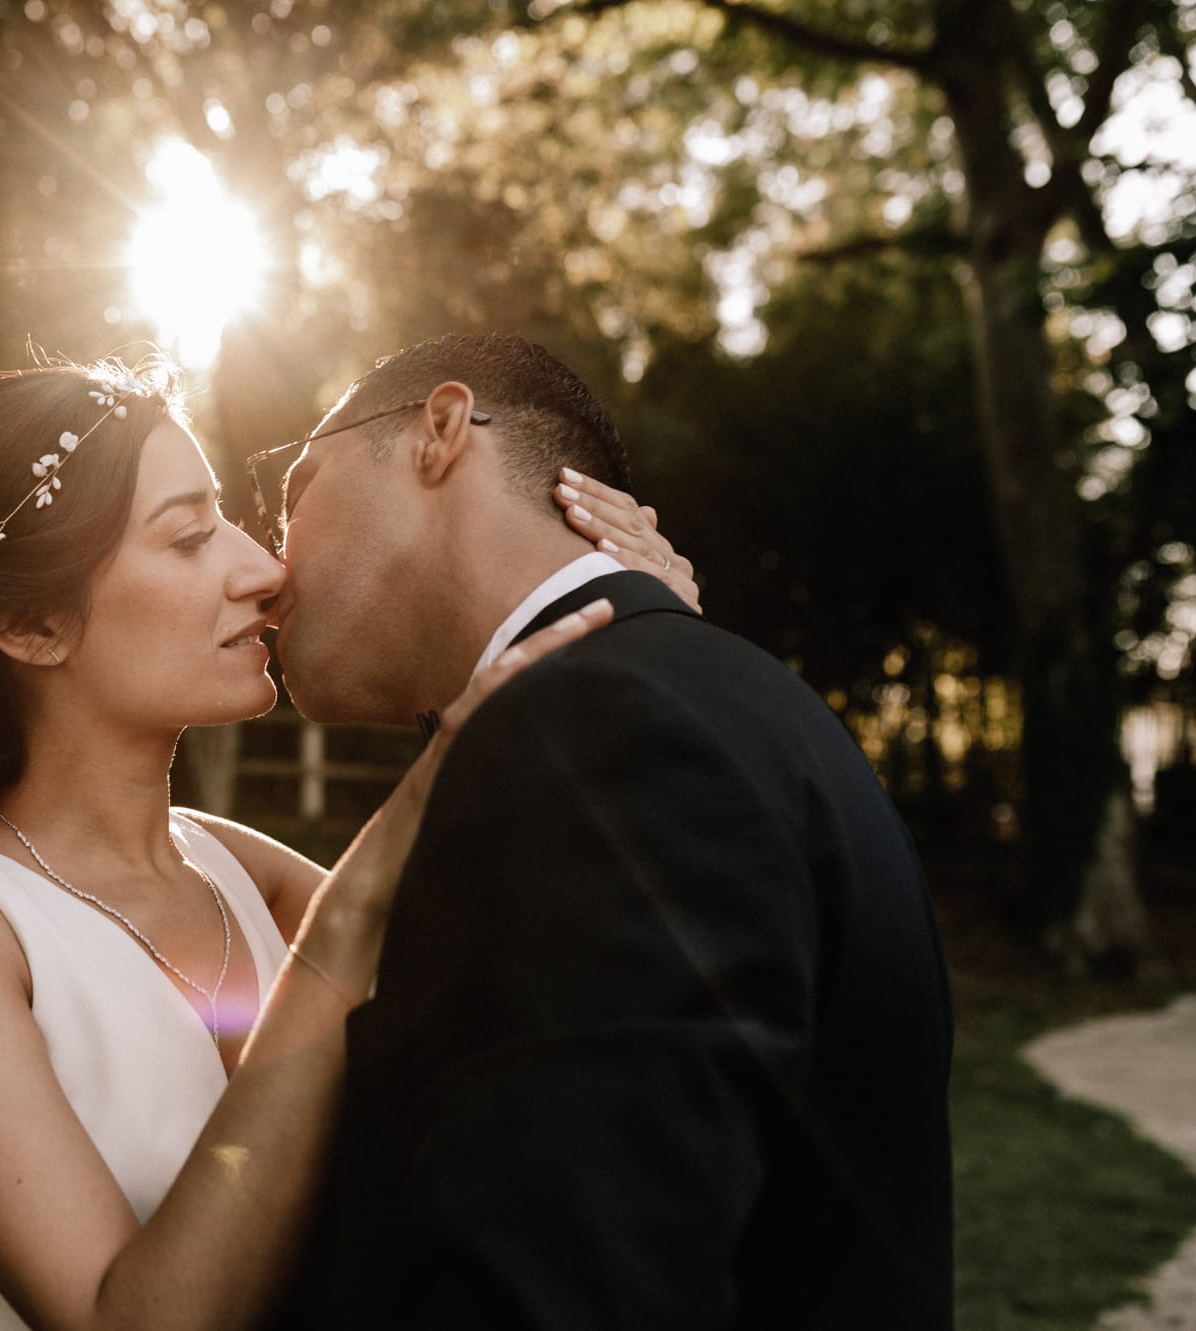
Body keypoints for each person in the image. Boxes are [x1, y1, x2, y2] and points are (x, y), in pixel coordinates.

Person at [0, 356, 700, 1331]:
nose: (264, 569)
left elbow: (577, 1002)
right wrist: (347, 918)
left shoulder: (243, 871)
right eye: (190, 536)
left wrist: (655, 650)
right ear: (30, 623)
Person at [261, 333, 956, 1329]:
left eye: (294, 493)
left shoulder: (604, 738)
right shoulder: (678, 700)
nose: (266, 563)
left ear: (441, 429)